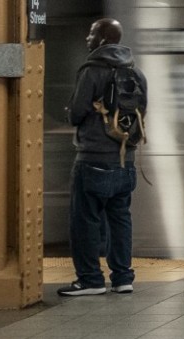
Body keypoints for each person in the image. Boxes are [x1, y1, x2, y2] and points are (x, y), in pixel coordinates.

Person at [57, 18, 144, 297]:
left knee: (85, 220)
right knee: (120, 219)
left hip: (93, 158)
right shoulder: (136, 73)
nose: (87, 38)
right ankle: (122, 278)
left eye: (92, 33)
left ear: (104, 39)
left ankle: (90, 279)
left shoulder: (92, 70)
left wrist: (71, 110)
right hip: (126, 160)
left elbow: (77, 112)